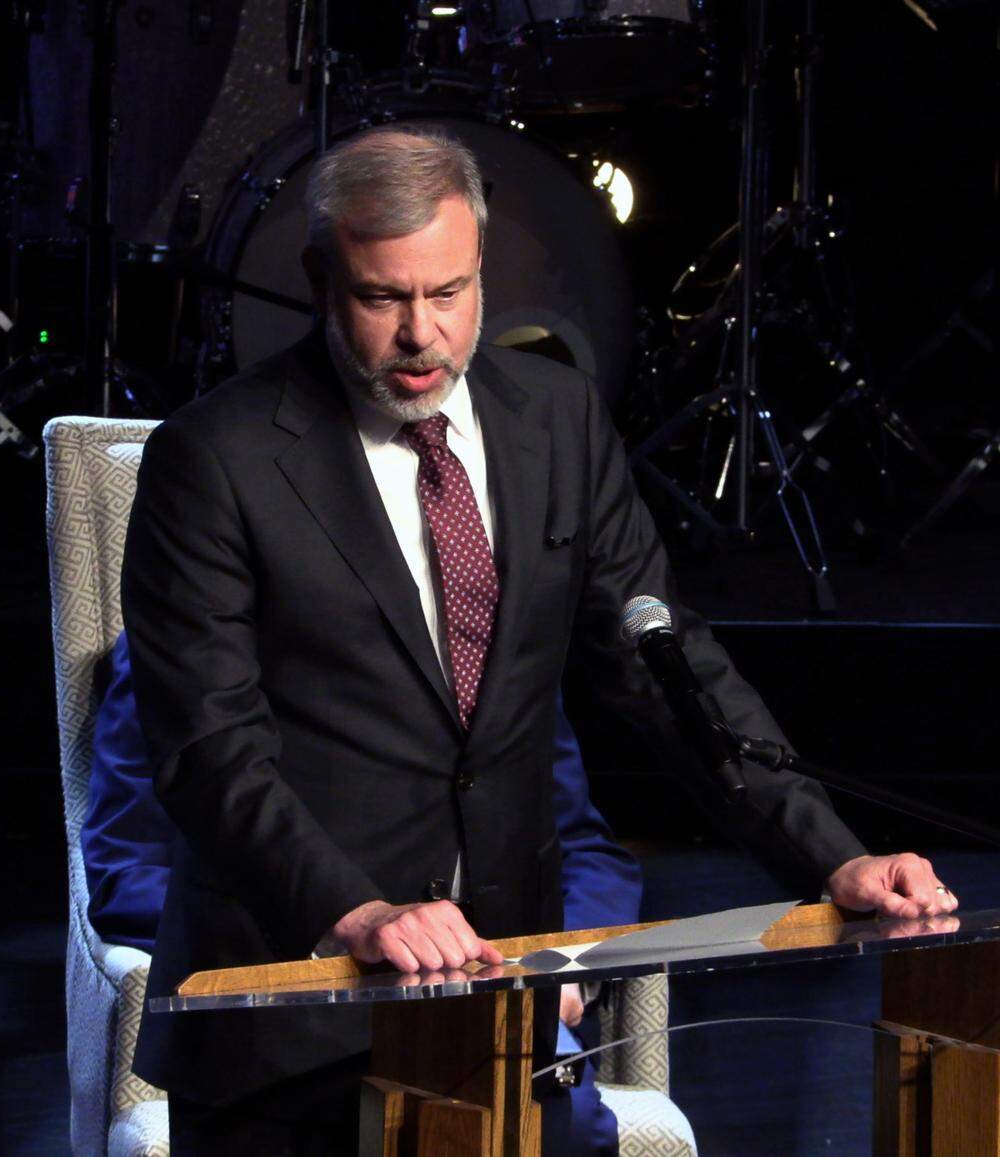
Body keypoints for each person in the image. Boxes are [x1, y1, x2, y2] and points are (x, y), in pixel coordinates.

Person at [121, 123, 957, 1152]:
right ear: (319, 279)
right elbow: (210, 753)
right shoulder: (214, 458)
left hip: (505, 1017)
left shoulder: (555, 419)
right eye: (383, 298)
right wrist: (361, 911)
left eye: (449, 292)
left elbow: (664, 668)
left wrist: (834, 859)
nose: (421, 334)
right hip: (291, 1026)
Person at [83, 632, 638, 1153]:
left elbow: (585, 848)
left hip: (501, 1006)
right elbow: (128, 868)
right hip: (306, 1014)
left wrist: (567, 966)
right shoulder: (192, 635)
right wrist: (323, 944)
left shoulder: (499, 633)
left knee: (569, 1129)